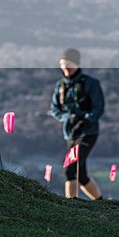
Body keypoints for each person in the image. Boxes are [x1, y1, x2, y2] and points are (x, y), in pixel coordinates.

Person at [49, 48, 105, 200]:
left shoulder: (91, 84)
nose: (65, 68)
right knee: (81, 175)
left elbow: (98, 108)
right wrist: (68, 117)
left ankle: (70, 204)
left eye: (68, 64)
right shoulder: (60, 86)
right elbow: (54, 109)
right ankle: (100, 202)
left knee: (71, 168)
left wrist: (85, 120)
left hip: (88, 133)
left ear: (77, 64)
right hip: (70, 133)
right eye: (62, 64)